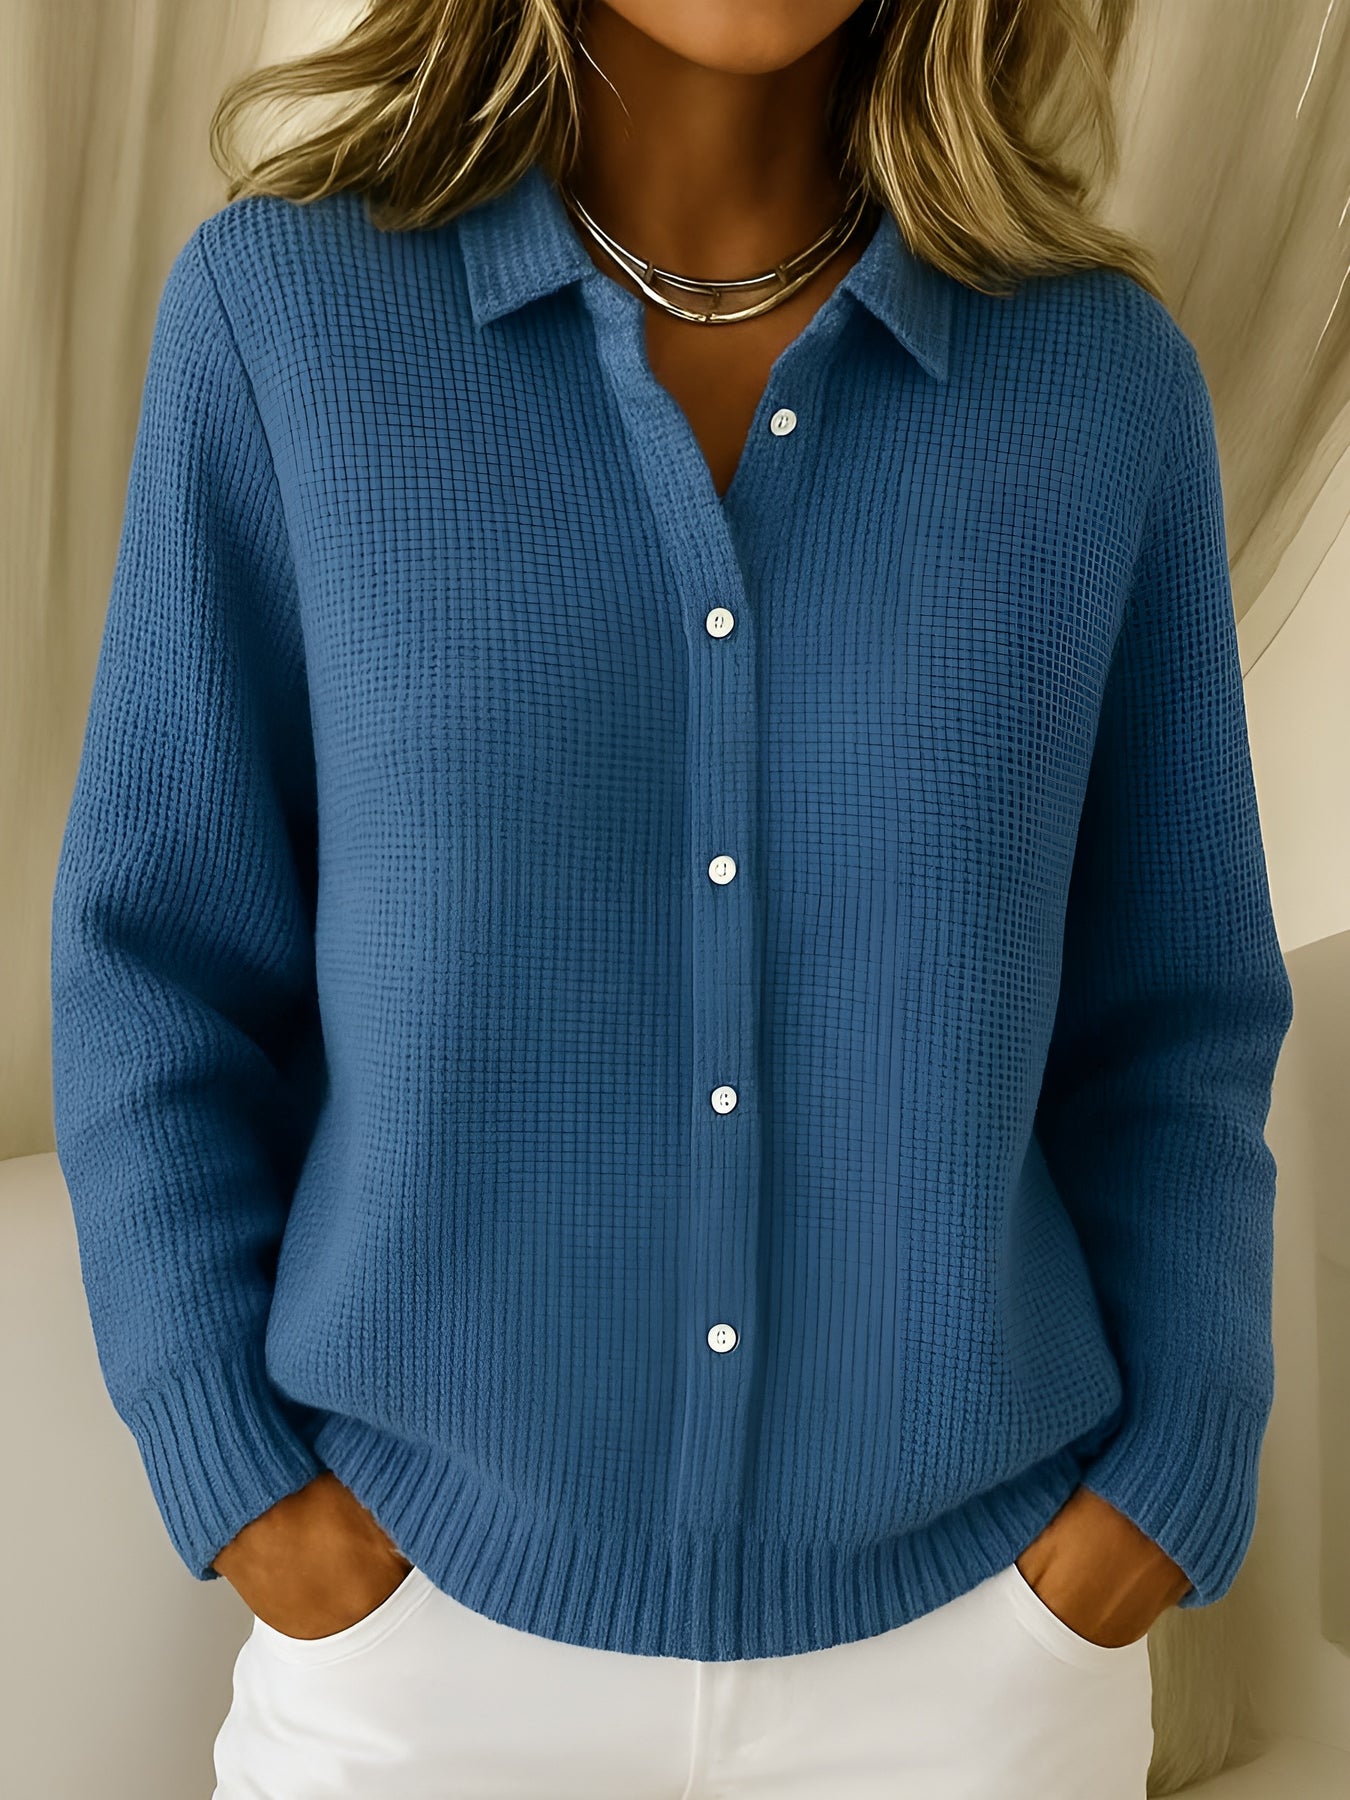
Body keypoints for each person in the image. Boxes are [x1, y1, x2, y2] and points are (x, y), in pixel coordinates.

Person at [48, 0, 1294, 1794]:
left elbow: (1170, 1021)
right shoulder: (287, 322)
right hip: (416, 1666)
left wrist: (1161, 1492)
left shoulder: (1098, 388)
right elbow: (157, 963)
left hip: (982, 1673)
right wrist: (244, 1490)